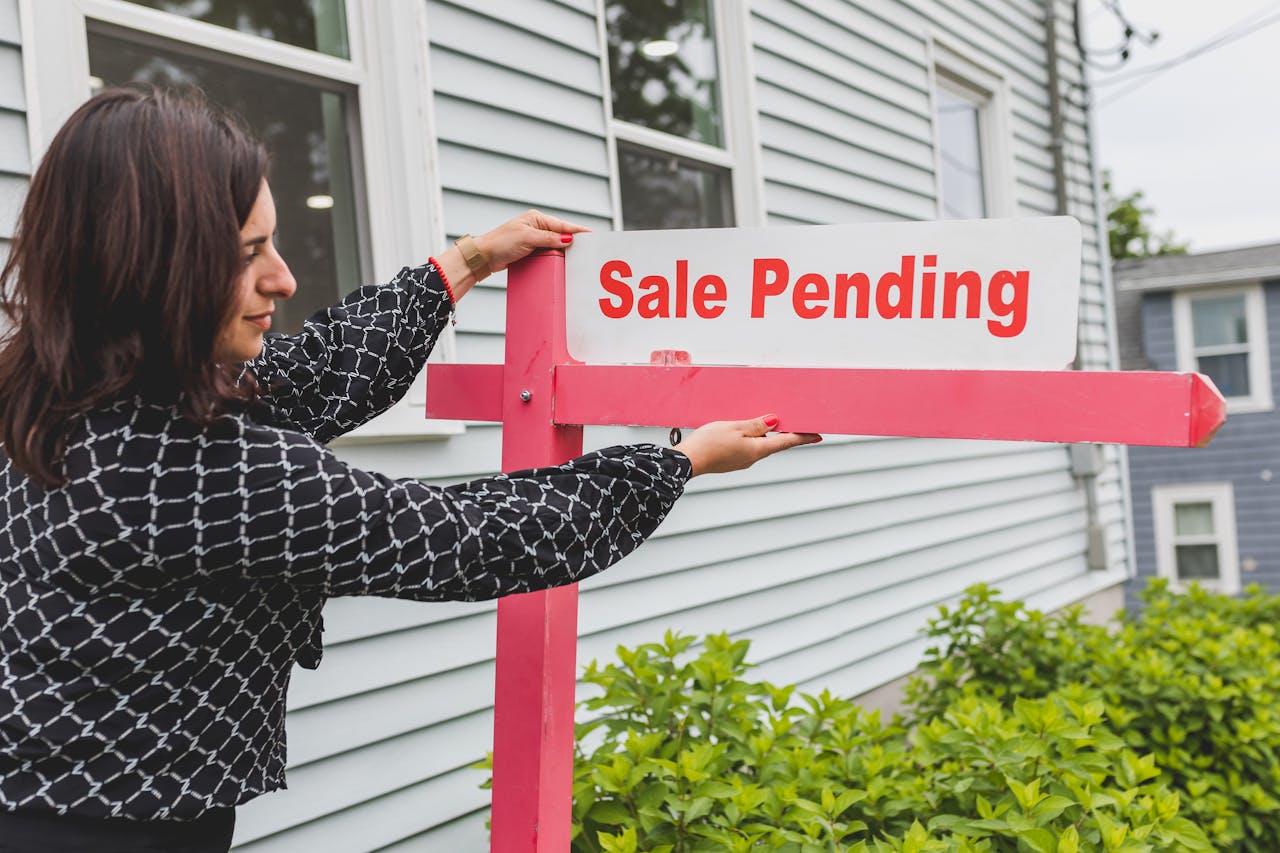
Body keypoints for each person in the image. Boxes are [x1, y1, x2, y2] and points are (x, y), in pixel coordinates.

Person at [0, 87, 819, 852]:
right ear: (150, 267)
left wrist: (462, 263)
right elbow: (474, 538)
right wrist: (679, 461)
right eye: (247, 254)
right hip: (110, 825)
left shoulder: (58, 379)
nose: (281, 277)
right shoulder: (202, 468)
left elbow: (315, 372)